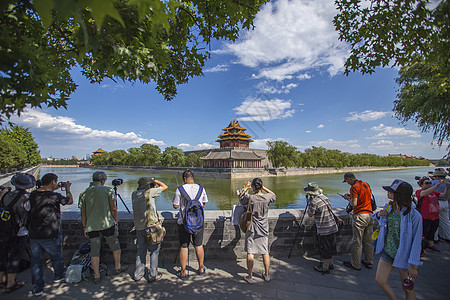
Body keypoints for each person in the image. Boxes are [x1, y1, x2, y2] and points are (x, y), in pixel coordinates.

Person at [374, 179, 422, 300]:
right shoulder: (389, 207)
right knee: (380, 280)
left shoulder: (415, 216)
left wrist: (413, 265)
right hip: (389, 250)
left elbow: (416, 241)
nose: (388, 193)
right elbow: (380, 221)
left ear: (400, 195)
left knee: (407, 287)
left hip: (404, 255)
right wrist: (379, 215)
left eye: (391, 192)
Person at [28, 173, 73, 296]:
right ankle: (58, 276)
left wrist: (53, 188)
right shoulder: (54, 196)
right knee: (57, 256)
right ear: (53, 182)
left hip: (34, 234)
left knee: (36, 261)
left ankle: (38, 288)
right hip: (50, 232)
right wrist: (67, 189)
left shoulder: (33, 194)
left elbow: (42, 192)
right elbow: (69, 201)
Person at [78, 171, 127, 284]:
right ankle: (117, 267)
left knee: (94, 250)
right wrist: (115, 220)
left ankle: (96, 275)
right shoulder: (108, 190)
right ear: (103, 180)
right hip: (107, 224)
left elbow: (83, 213)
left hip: (91, 226)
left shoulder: (84, 192)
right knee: (115, 246)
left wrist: (84, 226)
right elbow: (113, 208)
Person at [0, 173, 35, 294]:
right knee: (15, 257)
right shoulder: (28, 197)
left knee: (3, 255)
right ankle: (11, 283)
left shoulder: (6, 195)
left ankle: (2, 279)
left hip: (3, 230)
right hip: (19, 231)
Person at [172, 170, 208, 280]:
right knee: (199, 245)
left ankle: (183, 272)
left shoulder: (180, 189)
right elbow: (203, 204)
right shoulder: (201, 189)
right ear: (193, 177)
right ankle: (201, 268)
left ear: (184, 178)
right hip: (198, 223)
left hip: (184, 223)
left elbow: (175, 206)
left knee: (184, 246)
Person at [239, 178, 276, 284]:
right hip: (263, 227)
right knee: (265, 252)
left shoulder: (251, 198)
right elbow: (274, 195)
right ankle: (267, 274)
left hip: (252, 228)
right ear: (261, 186)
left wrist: (245, 188)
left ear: (253, 187)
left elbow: (241, 198)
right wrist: (264, 188)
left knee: (250, 252)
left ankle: (250, 276)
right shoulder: (267, 197)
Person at [132, 177, 167, 283]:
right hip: (151, 227)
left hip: (139, 227)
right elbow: (165, 187)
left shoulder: (134, 193)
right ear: (147, 185)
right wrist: (154, 180)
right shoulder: (150, 192)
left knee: (140, 250)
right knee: (154, 251)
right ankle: (153, 275)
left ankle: (138, 274)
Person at [341, 172, 374, 270]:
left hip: (360, 215)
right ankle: (369, 261)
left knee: (357, 241)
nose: (347, 183)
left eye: (347, 181)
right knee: (368, 240)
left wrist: (347, 198)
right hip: (369, 214)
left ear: (350, 178)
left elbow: (354, 204)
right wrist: (351, 196)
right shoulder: (365, 184)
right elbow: (364, 197)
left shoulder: (354, 187)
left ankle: (355, 264)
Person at [305, 182, 338, 274]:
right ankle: (330, 264)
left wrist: (309, 204)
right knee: (332, 247)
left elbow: (310, 214)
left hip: (324, 228)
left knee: (326, 248)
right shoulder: (325, 198)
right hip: (332, 226)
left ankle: (325, 267)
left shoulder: (314, 202)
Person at [415, 176, 450, 253]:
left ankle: (430, 245)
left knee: (432, 233)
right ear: (421, 185)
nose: (429, 185)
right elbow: (424, 193)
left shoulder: (434, 192)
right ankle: (421, 248)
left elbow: (444, 195)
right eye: (426, 183)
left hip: (435, 217)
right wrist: (436, 185)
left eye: (430, 183)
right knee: (423, 234)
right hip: (425, 217)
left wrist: (447, 188)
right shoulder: (419, 192)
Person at [430, 168, 450, 242]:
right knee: (446, 221)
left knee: (435, 221)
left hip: (437, 202)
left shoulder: (434, 182)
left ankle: (435, 238)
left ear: (437, 176)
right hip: (445, 202)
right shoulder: (448, 181)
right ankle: (447, 236)